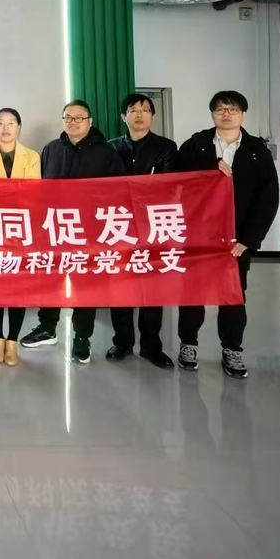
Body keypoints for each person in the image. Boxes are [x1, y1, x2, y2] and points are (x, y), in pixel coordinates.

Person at [175, 90, 278, 379]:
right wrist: (208, 168)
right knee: (192, 292)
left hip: (236, 239)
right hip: (197, 235)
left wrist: (249, 239)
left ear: (243, 114)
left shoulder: (257, 150)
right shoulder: (196, 145)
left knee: (232, 295)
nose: (226, 114)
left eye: (233, 109)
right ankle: (188, 344)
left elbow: (268, 198)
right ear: (212, 114)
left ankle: (232, 348)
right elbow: (175, 179)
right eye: (220, 109)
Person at [20, 99, 124, 364]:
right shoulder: (51, 149)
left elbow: (118, 191)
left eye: (79, 118)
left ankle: (82, 337)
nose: (73, 122)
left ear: (90, 121)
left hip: (91, 229)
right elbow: (40, 189)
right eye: (68, 117)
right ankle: (47, 327)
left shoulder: (107, 152)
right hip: (55, 227)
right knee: (51, 277)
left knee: (86, 283)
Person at [106, 93, 178, 370]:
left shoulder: (166, 147)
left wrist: (132, 189)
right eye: (133, 110)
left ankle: (151, 346)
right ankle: (122, 342)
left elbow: (166, 187)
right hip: (119, 226)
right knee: (120, 286)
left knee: (151, 288)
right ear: (123, 116)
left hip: (152, 226)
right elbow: (104, 186)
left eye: (145, 110)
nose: (139, 114)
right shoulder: (110, 148)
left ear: (153, 116)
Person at [0, 108, 41, 367]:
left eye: (11, 123)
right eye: (0, 123)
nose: (5, 127)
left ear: (19, 127)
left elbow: (34, 194)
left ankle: (12, 340)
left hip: (21, 230)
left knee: (17, 286)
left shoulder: (32, 156)